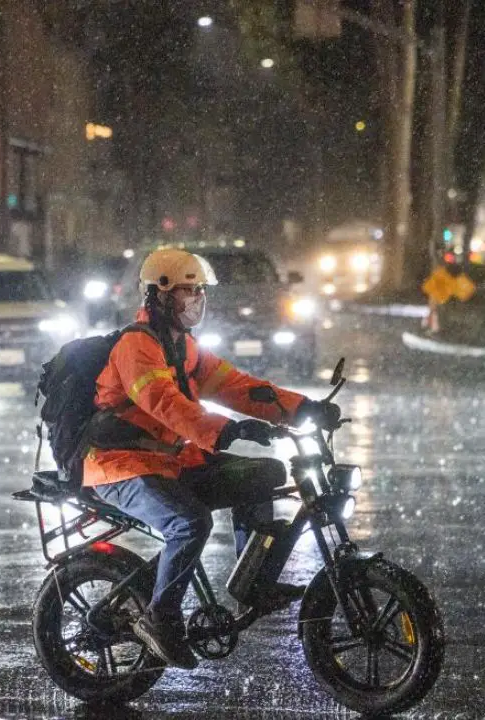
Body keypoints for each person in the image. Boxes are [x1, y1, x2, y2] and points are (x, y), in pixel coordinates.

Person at [83, 248, 341, 669]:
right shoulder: (136, 346)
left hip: (170, 461)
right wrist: (227, 430)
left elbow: (239, 386)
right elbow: (165, 404)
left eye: (200, 290)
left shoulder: (183, 347)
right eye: (188, 290)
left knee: (264, 474)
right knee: (189, 523)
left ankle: (253, 582)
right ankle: (160, 618)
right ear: (160, 295)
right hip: (120, 465)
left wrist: (302, 409)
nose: (197, 299)